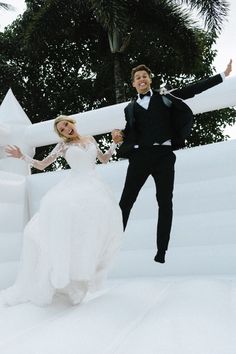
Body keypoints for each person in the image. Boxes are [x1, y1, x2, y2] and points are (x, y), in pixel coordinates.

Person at [112, 60, 233, 264]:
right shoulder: (129, 108)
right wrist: (119, 134)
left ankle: (161, 251)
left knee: (165, 202)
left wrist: (222, 75)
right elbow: (130, 131)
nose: (141, 79)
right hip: (140, 157)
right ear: (133, 84)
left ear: (150, 80)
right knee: (125, 202)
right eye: (137, 78)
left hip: (164, 156)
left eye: (144, 76)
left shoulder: (165, 98)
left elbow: (192, 90)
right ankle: (111, 244)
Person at [1, 115, 123, 306]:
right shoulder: (63, 146)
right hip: (74, 186)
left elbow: (105, 159)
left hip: (95, 188)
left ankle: (84, 274)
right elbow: (42, 165)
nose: (65, 130)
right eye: (61, 130)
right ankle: (63, 274)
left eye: (66, 125)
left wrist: (115, 144)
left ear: (72, 123)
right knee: (62, 218)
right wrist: (22, 157)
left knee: (94, 230)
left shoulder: (90, 139)